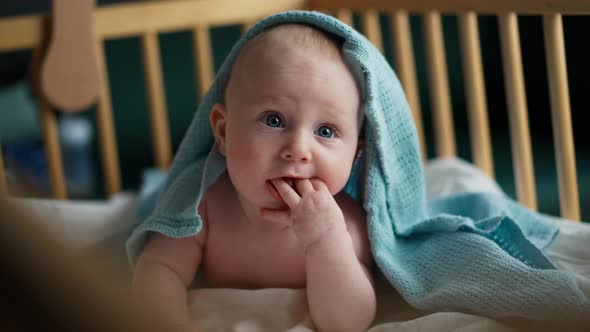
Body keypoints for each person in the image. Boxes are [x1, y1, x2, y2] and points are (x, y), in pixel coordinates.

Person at [132, 24, 377, 332]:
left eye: (325, 131)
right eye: (274, 120)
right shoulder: (202, 207)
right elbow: (158, 267)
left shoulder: (346, 224)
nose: (299, 150)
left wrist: (326, 241)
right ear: (223, 132)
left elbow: (347, 323)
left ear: (355, 154)